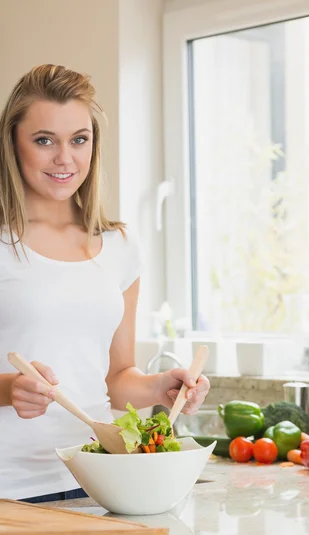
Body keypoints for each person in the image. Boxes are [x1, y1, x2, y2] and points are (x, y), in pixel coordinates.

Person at [0, 64, 210, 503]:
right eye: (44, 141)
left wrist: (159, 387)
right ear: (12, 144)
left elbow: (116, 378)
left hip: (94, 478)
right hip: (10, 488)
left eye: (79, 139)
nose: (65, 158)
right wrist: (7, 389)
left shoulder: (118, 245)